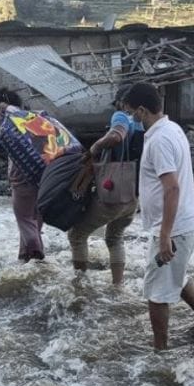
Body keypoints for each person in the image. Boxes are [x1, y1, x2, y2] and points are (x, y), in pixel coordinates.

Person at [121, 83, 194, 350]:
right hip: (183, 222)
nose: (130, 119)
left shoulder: (160, 139)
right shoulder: (172, 129)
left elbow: (171, 187)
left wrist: (164, 235)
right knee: (177, 276)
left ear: (141, 110)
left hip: (173, 227)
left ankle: (160, 352)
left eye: (130, 113)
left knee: (157, 293)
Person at [0, 88, 83, 262]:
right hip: (44, 177)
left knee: (24, 219)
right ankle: (24, 257)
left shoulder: (12, 123)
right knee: (34, 221)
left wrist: (4, 109)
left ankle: (37, 257)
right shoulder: (35, 117)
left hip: (22, 182)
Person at [68, 88, 143, 286]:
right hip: (133, 195)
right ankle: (118, 286)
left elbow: (116, 136)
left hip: (113, 191)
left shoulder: (121, 116)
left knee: (77, 234)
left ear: (122, 102)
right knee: (115, 238)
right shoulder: (142, 123)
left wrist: (95, 148)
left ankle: (80, 285)